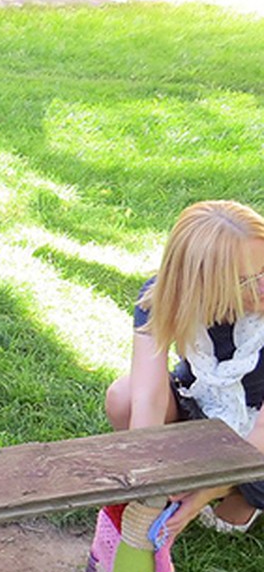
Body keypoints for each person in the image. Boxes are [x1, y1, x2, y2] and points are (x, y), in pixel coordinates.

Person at [106, 200, 264, 535]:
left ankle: (238, 492)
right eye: (247, 280)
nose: (263, 286)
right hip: (204, 402)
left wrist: (205, 492)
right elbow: (147, 398)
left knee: (238, 489)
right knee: (123, 395)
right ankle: (188, 478)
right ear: (202, 283)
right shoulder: (161, 296)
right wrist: (146, 476)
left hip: (259, 424)